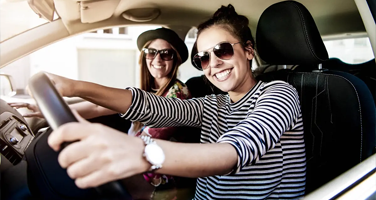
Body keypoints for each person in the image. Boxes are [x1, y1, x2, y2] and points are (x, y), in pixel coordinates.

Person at [43, 4, 306, 200]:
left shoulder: (279, 93)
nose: (213, 63)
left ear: (248, 50)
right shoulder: (213, 104)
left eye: (222, 50)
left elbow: (235, 150)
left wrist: (143, 152)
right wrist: (73, 86)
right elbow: (153, 106)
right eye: (203, 58)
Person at [10, 28, 194, 200]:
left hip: (159, 178)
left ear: (175, 59)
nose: (157, 59)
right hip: (140, 166)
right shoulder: (147, 92)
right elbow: (97, 108)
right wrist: (45, 110)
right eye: (151, 52)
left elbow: (142, 145)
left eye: (166, 54)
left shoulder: (178, 93)